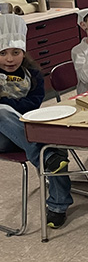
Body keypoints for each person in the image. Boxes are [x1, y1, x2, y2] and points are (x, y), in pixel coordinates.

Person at [0, 14, 72, 229]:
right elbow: (22, 106)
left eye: (15, 53)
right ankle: (46, 156)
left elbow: (33, 105)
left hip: (24, 129)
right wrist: (10, 105)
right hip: (2, 139)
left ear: (24, 52)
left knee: (51, 143)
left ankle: (58, 206)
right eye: (2, 53)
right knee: (1, 112)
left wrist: (8, 102)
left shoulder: (33, 75)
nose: (10, 59)